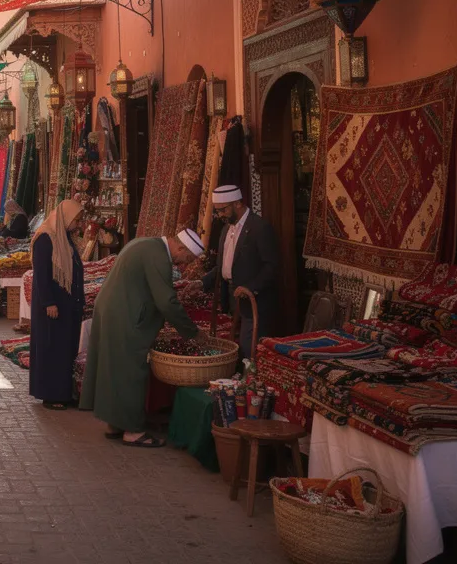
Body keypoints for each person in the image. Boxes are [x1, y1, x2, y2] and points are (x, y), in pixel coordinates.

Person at [79, 229, 204, 447]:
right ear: (181, 248)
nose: (184, 264)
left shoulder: (146, 244)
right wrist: (192, 332)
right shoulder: (159, 256)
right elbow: (166, 301)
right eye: (187, 259)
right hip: (126, 316)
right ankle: (133, 432)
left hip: (113, 310)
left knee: (114, 369)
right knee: (132, 371)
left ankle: (114, 424)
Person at [201, 184, 280, 358]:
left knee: (248, 347)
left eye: (223, 210)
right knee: (234, 347)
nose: (220, 215)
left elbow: (271, 266)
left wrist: (250, 288)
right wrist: (202, 283)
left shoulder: (259, 227)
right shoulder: (226, 228)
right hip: (232, 296)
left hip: (254, 300)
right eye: (217, 211)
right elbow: (223, 265)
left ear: (237, 203)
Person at [28, 201, 86, 410]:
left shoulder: (64, 237)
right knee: (51, 348)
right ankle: (50, 395)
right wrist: (49, 302)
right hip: (52, 306)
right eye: (76, 220)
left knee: (64, 348)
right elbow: (41, 275)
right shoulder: (45, 238)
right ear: (65, 217)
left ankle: (63, 392)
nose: (78, 224)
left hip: (66, 303)